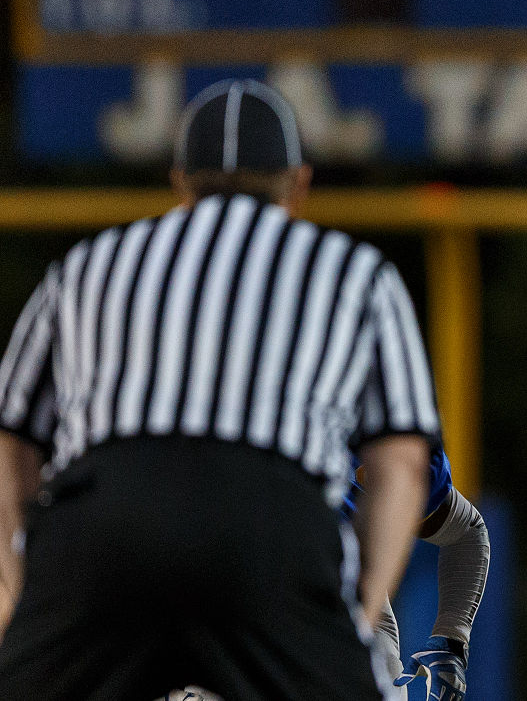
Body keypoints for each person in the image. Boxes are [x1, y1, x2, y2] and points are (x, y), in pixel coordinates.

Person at [0, 78, 438, 701]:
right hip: (266, 522)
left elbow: (10, 438)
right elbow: (401, 462)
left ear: (180, 184)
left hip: (105, 522)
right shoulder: (356, 271)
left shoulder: (88, 264)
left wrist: (26, 585)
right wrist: (357, 615)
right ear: (300, 184)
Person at [347, 444, 490, 701]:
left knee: (380, 665)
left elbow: (466, 533)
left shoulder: (386, 441)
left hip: (349, 611)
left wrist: (451, 640)